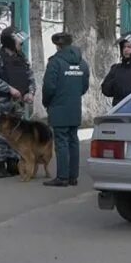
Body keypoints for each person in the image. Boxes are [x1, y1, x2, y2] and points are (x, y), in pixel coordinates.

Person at [42, 32, 90, 187]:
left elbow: (49, 87)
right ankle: (72, 177)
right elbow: (84, 87)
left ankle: (62, 177)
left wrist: (47, 102)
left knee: (61, 141)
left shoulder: (55, 62)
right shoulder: (82, 63)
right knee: (73, 140)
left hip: (59, 107)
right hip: (74, 107)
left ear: (58, 45)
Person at [0, 26, 35, 178]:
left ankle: (13, 162)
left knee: (18, 133)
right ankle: (1, 165)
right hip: (4, 101)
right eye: (18, 41)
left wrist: (30, 93)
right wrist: (9, 89)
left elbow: (30, 77)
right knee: (2, 133)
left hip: (19, 102)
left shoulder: (22, 57)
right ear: (9, 42)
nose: (21, 44)